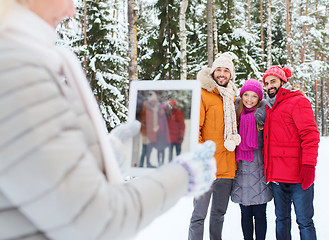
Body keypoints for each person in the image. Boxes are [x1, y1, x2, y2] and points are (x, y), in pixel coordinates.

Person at [0, 1, 217, 239]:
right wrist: (184, 175)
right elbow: (97, 218)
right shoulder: (17, 71)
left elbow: (38, 175)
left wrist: (110, 153)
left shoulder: (20, 61)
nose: (71, 11)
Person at [262, 65, 320, 240]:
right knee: (281, 220)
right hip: (278, 178)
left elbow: (310, 135)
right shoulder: (268, 107)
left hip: (298, 176)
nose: (269, 85)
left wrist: (309, 165)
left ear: (283, 81)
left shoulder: (297, 101)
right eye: (266, 83)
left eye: (273, 81)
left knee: (304, 222)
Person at [188, 53, 241, 240]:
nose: (222, 73)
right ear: (213, 72)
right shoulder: (203, 94)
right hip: (207, 166)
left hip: (226, 167)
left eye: (226, 70)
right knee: (199, 216)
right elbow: (196, 130)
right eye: (219, 69)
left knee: (218, 215)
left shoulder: (233, 97)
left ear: (230, 75)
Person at [231, 79, 273, 240]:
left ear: (259, 99)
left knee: (260, 213)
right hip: (240, 170)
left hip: (259, 170)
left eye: (254, 96)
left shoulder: (263, 116)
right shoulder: (235, 115)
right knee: (245, 213)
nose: (249, 99)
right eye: (246, 95)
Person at [139, 91, 160, 168]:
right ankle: (142, 164)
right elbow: (144, 122)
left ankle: (147, 163)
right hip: (146, 133)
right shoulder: (146, 110)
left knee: (149, 150)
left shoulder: (153, 109)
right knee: (145, 150)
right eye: (153, 101)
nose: (154, 102)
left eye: (155, 101)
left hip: (151, 133)